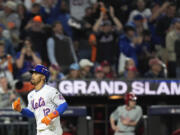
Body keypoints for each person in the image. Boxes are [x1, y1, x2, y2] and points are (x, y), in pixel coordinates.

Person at [12, 64, 68, 135]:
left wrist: (51, 116)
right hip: (40, 130)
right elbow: (33, 114)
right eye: (33, 73)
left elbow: (63, 104)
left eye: (36, 74)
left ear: (43, 77)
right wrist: (21, 110)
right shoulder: (30, 95)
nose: (32, 75)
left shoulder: (50, 90)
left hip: (52, 129)